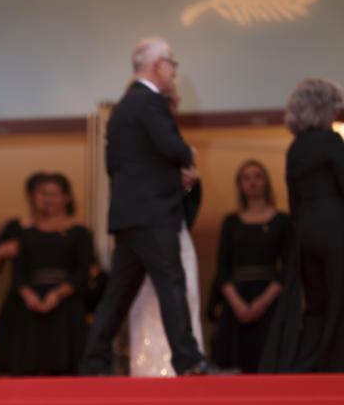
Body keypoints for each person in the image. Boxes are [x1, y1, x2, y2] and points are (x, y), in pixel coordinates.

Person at [79, 37, 210, 376]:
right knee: (171, 283)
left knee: (119, 294)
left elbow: (116, 164)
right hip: (154, 215)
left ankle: (94, 361)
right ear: (158, 66)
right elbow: (175, 149)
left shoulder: (124, 107)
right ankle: (188, 360)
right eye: (172, 65)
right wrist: (186, 158)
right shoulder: (150, 103)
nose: (173, 73)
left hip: (129, 216)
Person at [261, 78, 344, 372]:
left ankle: (310, 361)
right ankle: (335, 362)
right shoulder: (332, 141)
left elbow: (293, 197)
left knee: (316, 301)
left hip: (305, 230)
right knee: (338, 297)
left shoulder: (294, 148)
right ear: (324, 109)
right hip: (335, 227)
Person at [127, 86, 205, 377]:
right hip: (148, 234)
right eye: (170, 102)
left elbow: (189, 204)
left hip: (176, 232)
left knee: (186, 300)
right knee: (148, 306)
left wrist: (188, 184)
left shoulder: (175, 144)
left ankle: (188, 365)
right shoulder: (138, 145)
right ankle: (149, 372)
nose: (175, 108)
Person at [0, 172, 93, 375]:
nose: (47, 200)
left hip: (65, 308)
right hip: (26, 305)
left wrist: (58, 294)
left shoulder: (79, 231)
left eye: (53, 194)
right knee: (23, 366)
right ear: (34, 196)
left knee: (67, 367)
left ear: (66, 197)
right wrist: (27, 294)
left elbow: (83, 272)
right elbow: (11, 270)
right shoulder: (22, 229)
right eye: (43, 194)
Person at [208, 161, 290, 373]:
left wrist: (262, 302)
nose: (252, 182)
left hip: (269, 301)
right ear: (240, 185)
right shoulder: (231, 222)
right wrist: (238, 305)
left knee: (269, 362)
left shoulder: (282, 221)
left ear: (266, 182)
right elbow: (222, 267)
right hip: (236, 301)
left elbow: (288, 267)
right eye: (246, 177)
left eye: (257, 176)